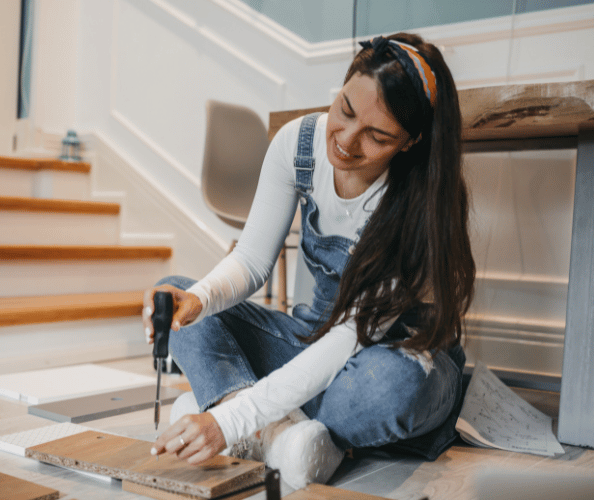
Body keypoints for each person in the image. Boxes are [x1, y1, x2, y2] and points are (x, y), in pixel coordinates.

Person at [143, 32, 475, 489]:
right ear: (341, 88)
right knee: (181, 297)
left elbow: (349, 339)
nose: (346, 142)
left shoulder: (420, 205)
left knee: (384, 390)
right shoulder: (297, 144)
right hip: (311, 337)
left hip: (395, 355)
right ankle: (282, 439)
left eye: (377, 136)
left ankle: (234, 413)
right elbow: (253, 261)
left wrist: (230, 422)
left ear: (411, 141)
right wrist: (198, 299)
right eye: (345, 109)